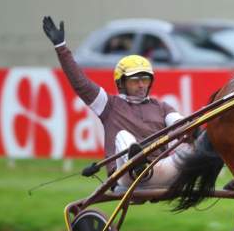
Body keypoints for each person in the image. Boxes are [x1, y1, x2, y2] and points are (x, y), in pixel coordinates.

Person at [42, 16, 190, 189]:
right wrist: (61, 48)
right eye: (135, 80)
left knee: (190, 141)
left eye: (145, 79)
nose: (142, 85)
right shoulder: (109, 105)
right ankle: (137, 166)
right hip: (125, 177)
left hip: (162, 172)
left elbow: (179, 123)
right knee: (123, 136)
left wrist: (193, 131)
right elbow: (80, 84)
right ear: (121, 83)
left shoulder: (162, 107)